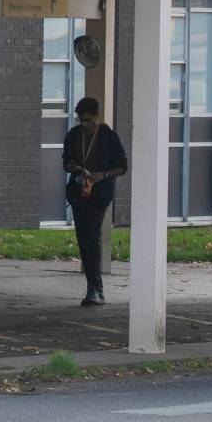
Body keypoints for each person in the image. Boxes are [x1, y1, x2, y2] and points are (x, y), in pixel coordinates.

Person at [62, 97, 127, 306]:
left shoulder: (108, 137)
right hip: (79, 191)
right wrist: (75, 167)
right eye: (81, 120)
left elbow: (122, 166)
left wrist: (103, 175)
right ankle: (93, 287)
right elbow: (65, 162)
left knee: (91, 235)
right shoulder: (74, 135)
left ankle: (95, 288)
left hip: (99, 193)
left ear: (96, 117)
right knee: (84, 238)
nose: (85, 125)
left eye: (88, 120)